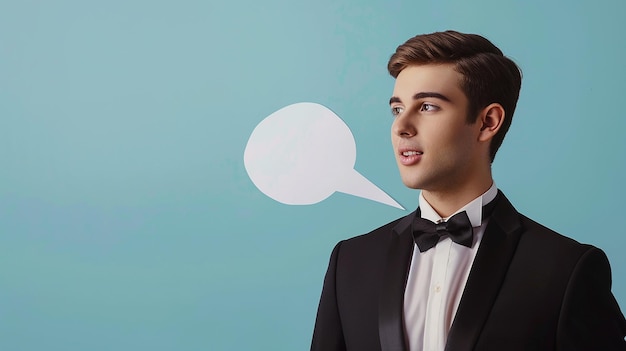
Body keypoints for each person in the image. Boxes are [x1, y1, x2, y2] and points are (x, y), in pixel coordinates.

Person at [310, 30, 626, 351]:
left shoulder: (566, 270)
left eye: (428, 107)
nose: (401, 126)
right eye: (396, 108)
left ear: (488, 122)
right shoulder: (350, 262)